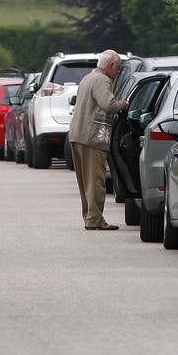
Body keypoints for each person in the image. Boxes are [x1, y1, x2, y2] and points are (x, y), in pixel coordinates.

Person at [69, 50, 129, 230]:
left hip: (77, 134)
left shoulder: (88, 78)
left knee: (84, 181)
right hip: (92, 137)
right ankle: (95, 219)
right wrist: (123, 105)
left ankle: (89, 216)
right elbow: (108, 104)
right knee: (96, 180)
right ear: (110, 66)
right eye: (117, 68)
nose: (117, 72)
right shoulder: (102, 80)